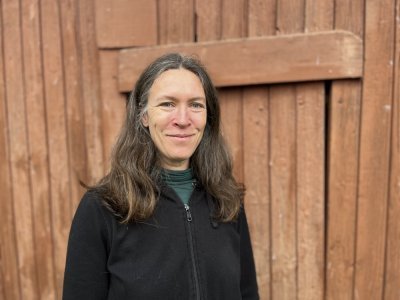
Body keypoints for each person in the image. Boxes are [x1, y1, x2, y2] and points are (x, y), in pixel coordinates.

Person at [62, 53, 259, 299]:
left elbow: (247, 293)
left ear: (208, 117)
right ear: (144, 116)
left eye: (196, 105)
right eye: (168, 104)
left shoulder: (227, 201)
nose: (183, 120)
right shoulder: (104, 207)